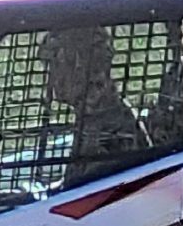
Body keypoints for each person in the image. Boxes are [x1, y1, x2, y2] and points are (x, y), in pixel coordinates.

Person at [41, 24, 150, 188]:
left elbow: (85, 197)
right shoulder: (93, 117)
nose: (51, 80)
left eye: (56, 67)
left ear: (80, 68)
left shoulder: (108, 132)